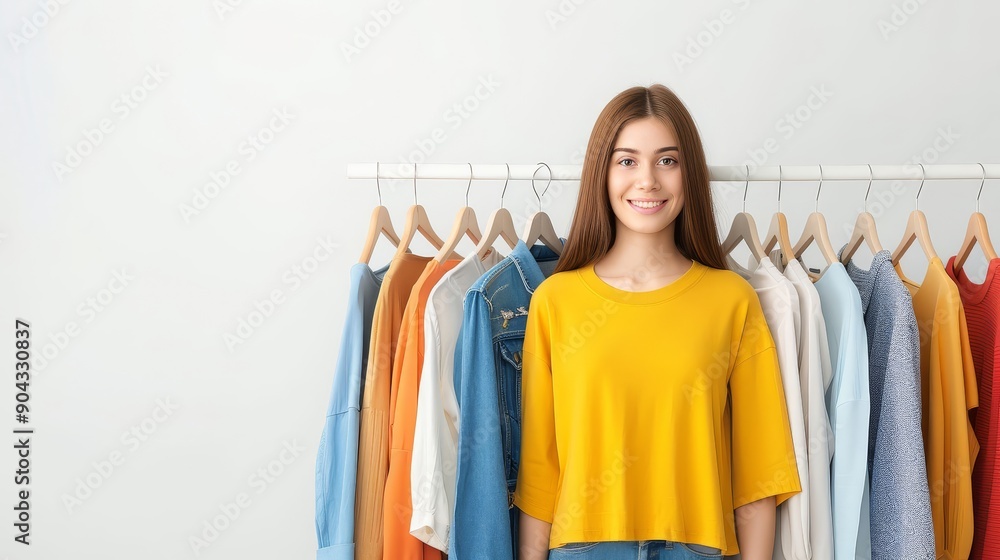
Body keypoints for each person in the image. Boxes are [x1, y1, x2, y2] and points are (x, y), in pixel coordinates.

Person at [513, 84, 802, 560]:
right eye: (627, 161)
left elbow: (757, 477)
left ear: (689, 174)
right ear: (601, 174)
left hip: (698, 549)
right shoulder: (555, 302)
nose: (647, 180)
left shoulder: (731, 300)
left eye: (667, 160)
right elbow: (539, 479)